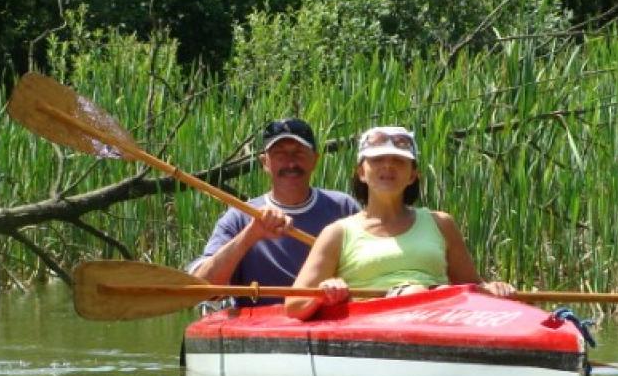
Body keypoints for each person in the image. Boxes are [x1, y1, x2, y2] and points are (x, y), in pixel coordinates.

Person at [285, 125, 515, 320]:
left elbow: (472, 288)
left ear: (412, 174)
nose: (388, 166)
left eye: (399, 161)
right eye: (377, 160)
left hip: (442, 313)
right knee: (413, 291)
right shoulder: (337, 233)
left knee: (439, 291)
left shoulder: (441, 223)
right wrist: (326, 292)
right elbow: (294, 304)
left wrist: (493, 289)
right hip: (375, 323)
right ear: (361, 173)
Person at [189, 118, 359, 304]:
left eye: (299, 153)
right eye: (280, 155)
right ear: (265, 162)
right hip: (259, 328)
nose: (291, 163)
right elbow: (201, 288)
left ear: (314, 160)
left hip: (329, 321)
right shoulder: (239, 217)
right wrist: (250, 235)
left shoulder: (343, 207)